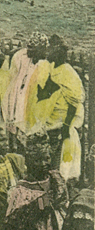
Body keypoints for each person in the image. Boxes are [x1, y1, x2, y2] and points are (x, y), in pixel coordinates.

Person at [29, 35, 84, 183]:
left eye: (51, 50)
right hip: (51, 124)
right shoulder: (52, 68)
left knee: (62, 166)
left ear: (59, 52)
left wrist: (66, 126)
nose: (48, 53)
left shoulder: (68, 72)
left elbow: (74, 101)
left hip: (63, 125)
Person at [3, 32, 47, 143]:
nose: (29, 51)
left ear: (42, 49)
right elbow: (12, 80)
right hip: (18, 96)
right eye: (28, 48)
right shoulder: (21, 57)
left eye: (33, 49)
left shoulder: (46, 64)